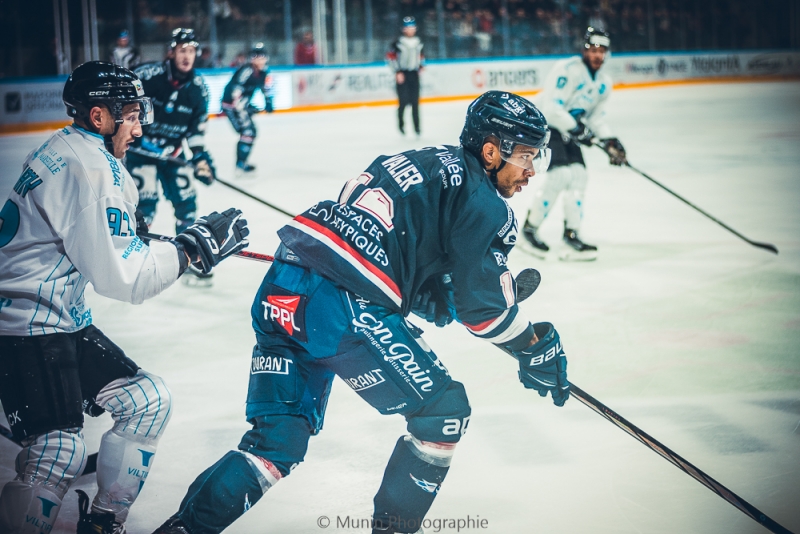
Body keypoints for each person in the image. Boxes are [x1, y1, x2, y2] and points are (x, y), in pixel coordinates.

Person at [151, 91, 569, 534]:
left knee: (275, 443)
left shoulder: (421, 160)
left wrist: (434, 293)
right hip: (344, 308)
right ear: (491, 151)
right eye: (526, 155)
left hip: (283, 285)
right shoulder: (486, 204)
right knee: (443, 414)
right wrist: (533, 345)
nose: (531, 170)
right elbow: (483, 312)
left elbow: (397, 252)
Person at [0, 61, 249, 534]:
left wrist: (137, 234)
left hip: (56, 317)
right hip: (25, 328)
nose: (140, 127)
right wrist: (192, 250)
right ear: (99, 117)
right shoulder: (92, 170)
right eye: (131, 115)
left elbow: (87, 238)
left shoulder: (68, 147)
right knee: (59, 451)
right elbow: (128, 279)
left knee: (147, 401)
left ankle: (103, 520)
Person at [521, 27, 627, 261]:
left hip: (567, 129)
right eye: (593, 49)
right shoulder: (567, 70)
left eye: (602, 50)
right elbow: (551, 108)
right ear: (584, 50)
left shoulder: (604, 83)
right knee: (560, 176)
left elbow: (595, 117)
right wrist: (579, 129)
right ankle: (529, 230)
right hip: (544, 125)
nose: (597, 55)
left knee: (578, 175)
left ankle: (571, 234)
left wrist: (609, 139)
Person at [125, 28, 217, 284]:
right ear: (172, 52)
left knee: (186, 203)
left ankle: (185, 257)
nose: (187, 56)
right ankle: (132, 259)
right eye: (182, 50)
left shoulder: (199, 89)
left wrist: (200, 159)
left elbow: (196, 130)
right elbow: (125, 110)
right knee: (144, 208)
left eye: (192, 51)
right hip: (141, 154)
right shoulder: (147, 76)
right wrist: (137, 138)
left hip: (174, 154)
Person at [222, 43, 274, 176]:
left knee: (250, 132)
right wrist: (245, 107)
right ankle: (240, 164)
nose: (259, 60)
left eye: (262, 57)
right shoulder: (246, 71)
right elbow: (235, 91)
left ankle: (241, 162)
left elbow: (265, 88)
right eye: (256, 57)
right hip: (231, 105)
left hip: (241, 105)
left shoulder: (263, 72)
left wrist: (268, 102)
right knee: (247, 132)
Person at [387, 16, 424, 137]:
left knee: (415, 102)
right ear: (403, 29)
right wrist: (397, 72)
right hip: (402, 73)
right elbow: (391, 58)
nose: (410, 30)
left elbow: (421, 56)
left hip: (414, 74)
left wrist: (420, 66)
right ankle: (401, 125)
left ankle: (417, 127)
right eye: (408, 28)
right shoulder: (397, 43)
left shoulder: (419, 42)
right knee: (403, 101)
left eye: (412, 27)